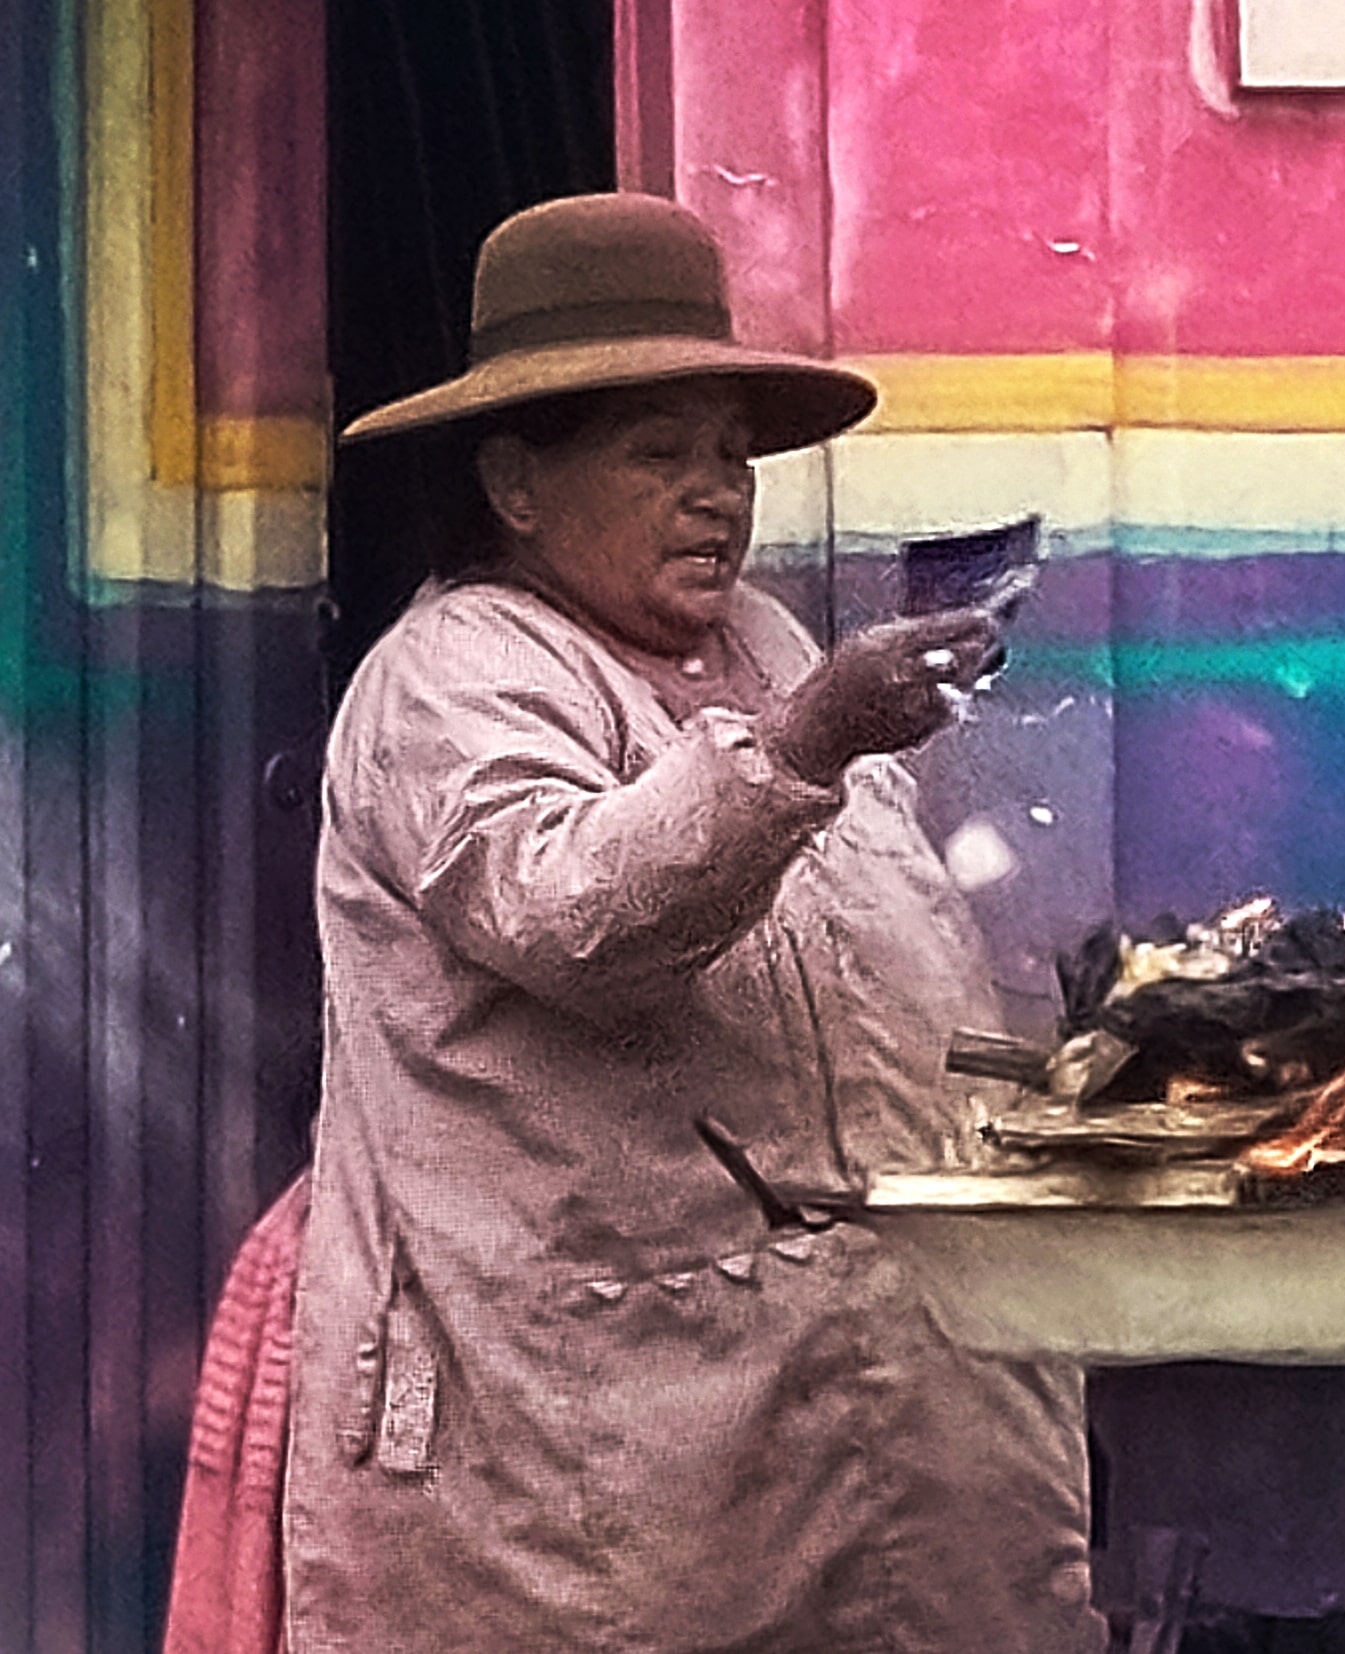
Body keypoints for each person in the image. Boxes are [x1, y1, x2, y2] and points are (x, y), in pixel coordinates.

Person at [283, 192, 1103, 1654]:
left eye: (731, 454)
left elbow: (885, 961)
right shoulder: (450, 677)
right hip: (595, 1469)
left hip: (871, 1446)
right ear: (516, 484)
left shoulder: (766, 646)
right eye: (658, 453)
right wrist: (804, 744)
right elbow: (572, 914)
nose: (716, 493)